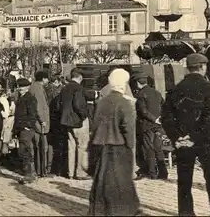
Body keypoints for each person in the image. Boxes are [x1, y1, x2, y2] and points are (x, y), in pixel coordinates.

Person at [161, 53, 210, 216]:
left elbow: (166, 117)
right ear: (203, 67)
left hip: (182, 142)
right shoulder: (208, 87)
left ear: (188, 68)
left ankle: (186, 212)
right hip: (206, 141)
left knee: (184, 180)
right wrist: (194, 137)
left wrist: (177, 137)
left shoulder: (177, 88)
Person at [88, 69, 140, 216]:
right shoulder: (124, 103)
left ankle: (100, 211)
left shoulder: (102, 102)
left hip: (102, 147)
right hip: (119, 147)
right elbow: (128, 128)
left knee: (102, 181)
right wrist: (130, 145)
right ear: (124, 84)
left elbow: (96, 124)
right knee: (120, 181)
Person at [133, 72, 168, 180]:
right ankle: (163, 173)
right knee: (158, 148)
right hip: (157, 125)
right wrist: (159, 119)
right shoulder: (157, 92)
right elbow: (164, 106)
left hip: (147, 125)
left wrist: (153, 119)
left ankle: (152, 173)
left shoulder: (140, 95)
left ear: (138, 83)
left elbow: (143, 111)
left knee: (149, 149)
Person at [59, 68, 90, 180]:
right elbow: (78, 105)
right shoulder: (79, 88)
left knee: (71, 147)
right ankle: (80, 172)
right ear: (80, 77)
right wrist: (85, 115)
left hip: (67, 122)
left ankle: (70, 172)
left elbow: (59, 105)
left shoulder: (64, 88)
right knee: (82, 146)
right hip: (78, 122)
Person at [14, 78, 42, 184]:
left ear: (27, 87)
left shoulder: (29, 98)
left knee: (24, 150)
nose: (19, 88)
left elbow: (32, 114)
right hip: (22, 128)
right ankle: (30, 173)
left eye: (21, 87)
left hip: (26, 129)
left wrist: (27, 126)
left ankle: (28, 174)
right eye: (18, 86)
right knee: (25, 150)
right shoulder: (23, 97)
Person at [29, 70, 50, 177]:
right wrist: (43, 120)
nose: (48, 80)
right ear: (43, 79)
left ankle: (39, 169)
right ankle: (41, 170)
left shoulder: (33, 87)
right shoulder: (38, 89)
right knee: (41, 147)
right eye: (47, 78)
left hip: (35, 122)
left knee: (37, 146)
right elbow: (39, 107)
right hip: (39, 123)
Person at [45, 74, 66, 177]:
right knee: (58, 145)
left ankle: (47, 167)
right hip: (57, 121)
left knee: (49, 144)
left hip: (48, 119)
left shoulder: (45, 89)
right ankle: (55, 168)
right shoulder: (59, 92)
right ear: (57, 81)